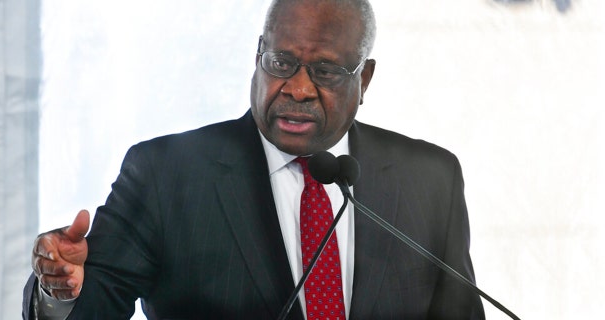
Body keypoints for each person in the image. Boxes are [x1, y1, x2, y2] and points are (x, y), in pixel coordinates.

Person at [24, 0, 485, 319]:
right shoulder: (165, 176)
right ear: (258, 55)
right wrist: (59, 290)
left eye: (324, 71)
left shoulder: (430, 180)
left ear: (364, 79)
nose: (298, 89)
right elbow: (93, 302)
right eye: (281, 63)